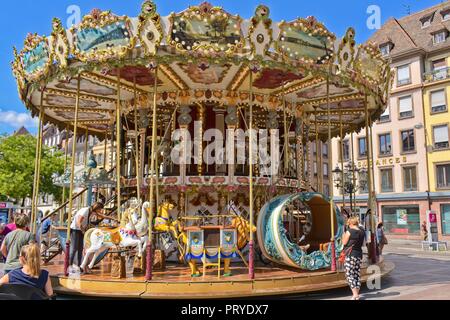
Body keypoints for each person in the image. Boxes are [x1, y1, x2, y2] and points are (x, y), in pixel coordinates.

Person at [69, 202, 105, 271]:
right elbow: (78, 221)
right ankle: (69, 265)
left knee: (80, 248)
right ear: (97, 208)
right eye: (100, 209)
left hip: (81, 229)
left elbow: (102, 216)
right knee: (74, 248)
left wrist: (112, 218)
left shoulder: (91, 211)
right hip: (75, 229)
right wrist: (82, 230)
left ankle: (79, 265)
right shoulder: (86, 210)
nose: (100, 211)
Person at [342, 216, 366, 300]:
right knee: (356, 274)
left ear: (351, 223)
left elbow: (344, 242)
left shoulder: (349, 231)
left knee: (349, 274)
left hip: (350, 255)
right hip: (359, 254)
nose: (348, 225)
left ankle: (355, 294)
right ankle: (356, 293)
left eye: (348, 223)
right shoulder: (362, 231)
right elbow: (363, 243)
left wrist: (343, 235)